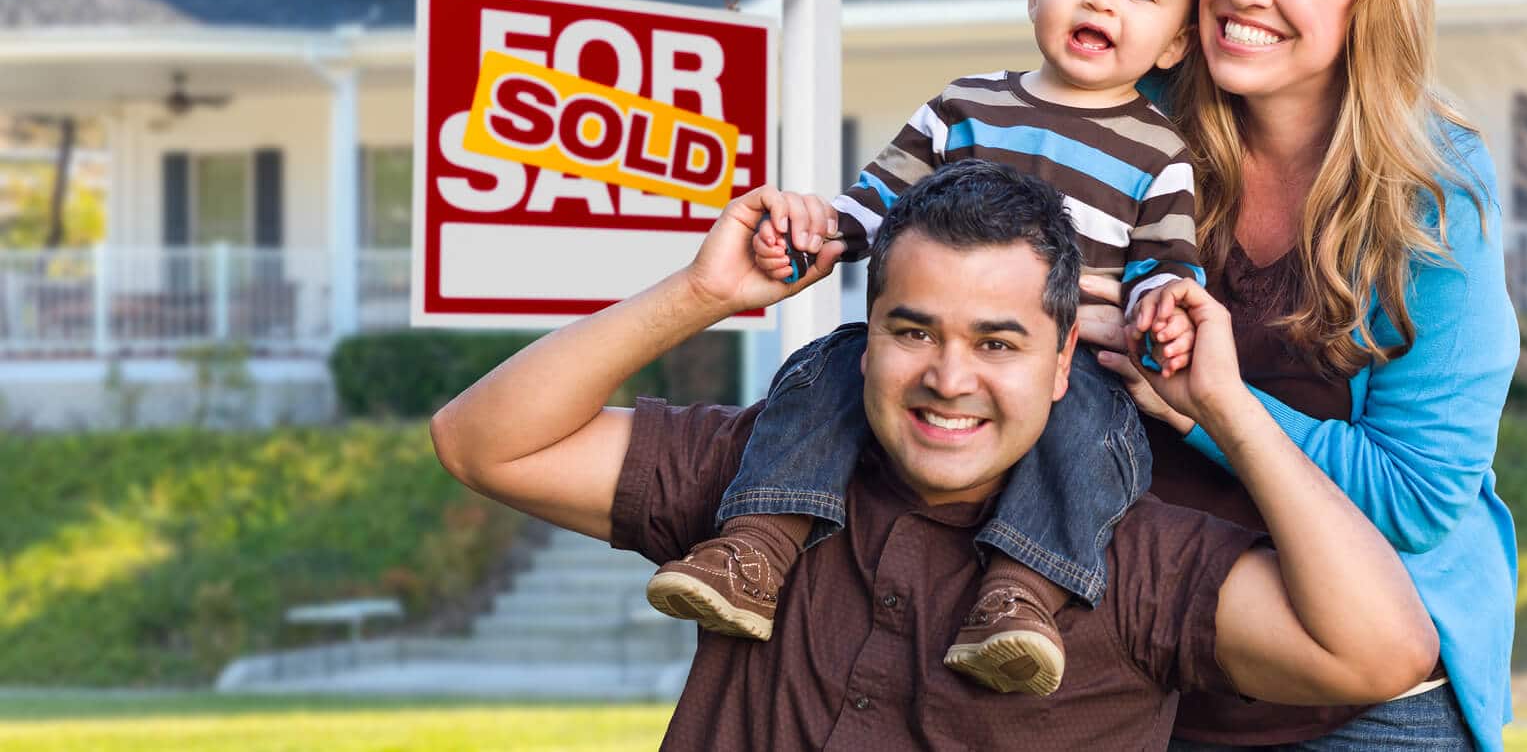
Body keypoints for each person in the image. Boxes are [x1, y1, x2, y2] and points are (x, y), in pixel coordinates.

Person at [428, 161, 1440, 750]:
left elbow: (1381, 649)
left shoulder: (1127, 559)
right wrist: (700, 295)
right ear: (862, 338)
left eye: (997, 342)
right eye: (912, 331)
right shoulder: (761, 484)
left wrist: (1221, 403)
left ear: (1059, 365)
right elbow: (479, 440)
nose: (948, 376)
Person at [647, 0, 1209, 696]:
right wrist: (815, 234)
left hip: (1068, 355)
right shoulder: (965, 106)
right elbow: (879, 204)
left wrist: (1163, 309)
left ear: (1173, 44)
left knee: (1093, 433)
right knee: (826, 370)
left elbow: (1168, 264)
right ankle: (756, 546)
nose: (1101, 1)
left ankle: (1022, 598)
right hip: (930, 337)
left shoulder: (1159, 152)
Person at [1090, 0, 1517, 751]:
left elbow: (1414, 497)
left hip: (1367, 700)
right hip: (1139, 670)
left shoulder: (1433, 196)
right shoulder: (1128, 132)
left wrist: (1205, 406)